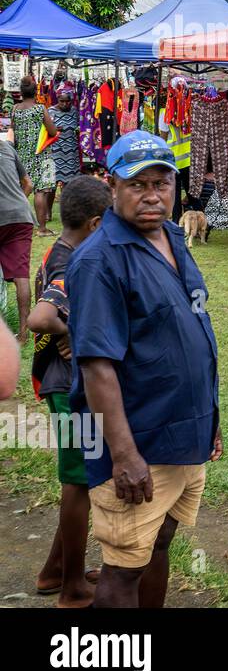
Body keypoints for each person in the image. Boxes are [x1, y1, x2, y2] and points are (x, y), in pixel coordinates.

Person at [67, 130, 221, 608]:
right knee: (122, 571)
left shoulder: (172, 236)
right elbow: (96, 366)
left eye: (163, 183)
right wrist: (125, 455)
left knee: (158, 545)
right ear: (111, 185)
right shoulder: (99, 260)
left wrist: (208, 421)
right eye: (138, 184)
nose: (153, 195)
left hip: (183, 432)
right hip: (138, 440)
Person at [30, 176, 112, 607]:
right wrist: (76, 331)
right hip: (69, 387)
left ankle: (55, 571)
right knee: (79, 484)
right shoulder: (69, 261)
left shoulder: (61, 249)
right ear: (97, 224)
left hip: (61, 383)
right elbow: (40, 319)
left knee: (79, 480)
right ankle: (72, 587)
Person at [11, 76, 58, 236]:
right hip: (41, 154)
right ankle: (42, 229)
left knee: (22, 190)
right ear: (36, 91)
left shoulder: (15, 109)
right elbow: (52, 132)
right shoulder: (40, 109)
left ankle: (15, 225)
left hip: (21, 155)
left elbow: (13, 131)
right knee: (41, 191)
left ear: (21, 92)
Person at [0, 135, 35, 343]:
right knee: (21, 275)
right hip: (21, 216)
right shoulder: (6, 147)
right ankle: (23, 334)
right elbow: (28, 184)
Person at [49, 85, 82, 189]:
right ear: (57, 99)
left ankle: (66, 204)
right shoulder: (50, 111)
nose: (64, 104)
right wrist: (53, 129)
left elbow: (79, 127)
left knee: (69, 186)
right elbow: (43, 132)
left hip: (71, 153)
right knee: (51, 187)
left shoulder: (74, 111)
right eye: (61, 101)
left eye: (67, 101)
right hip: (55, 153)